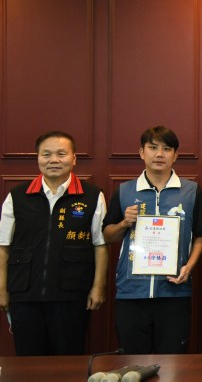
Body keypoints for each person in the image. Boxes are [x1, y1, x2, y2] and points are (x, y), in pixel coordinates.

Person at [0, 131, 107, 355]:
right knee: (28, 362)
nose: (54, 160)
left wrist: (98, 288)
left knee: (68, 360)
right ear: (38, 158)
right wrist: (2, 289)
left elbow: (100, 245)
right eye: (46, 154)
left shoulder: (92, 196)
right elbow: (3, 246)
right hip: (25, 293)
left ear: (74, 159)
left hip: (71, 293)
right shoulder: (17, 196)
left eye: (61, 154)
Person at [102, 126, 202, 354]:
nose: (159, 154)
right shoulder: (124, 191)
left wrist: (189, 266)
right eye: (153, 148)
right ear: (142, 152)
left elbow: (200, 236)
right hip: (131, 292)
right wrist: (124, 223)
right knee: (132, 362)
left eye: (167, 149)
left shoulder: (191, 191)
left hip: (174, 291)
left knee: (172, 364)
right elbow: (108, 234)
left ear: (175, 155)